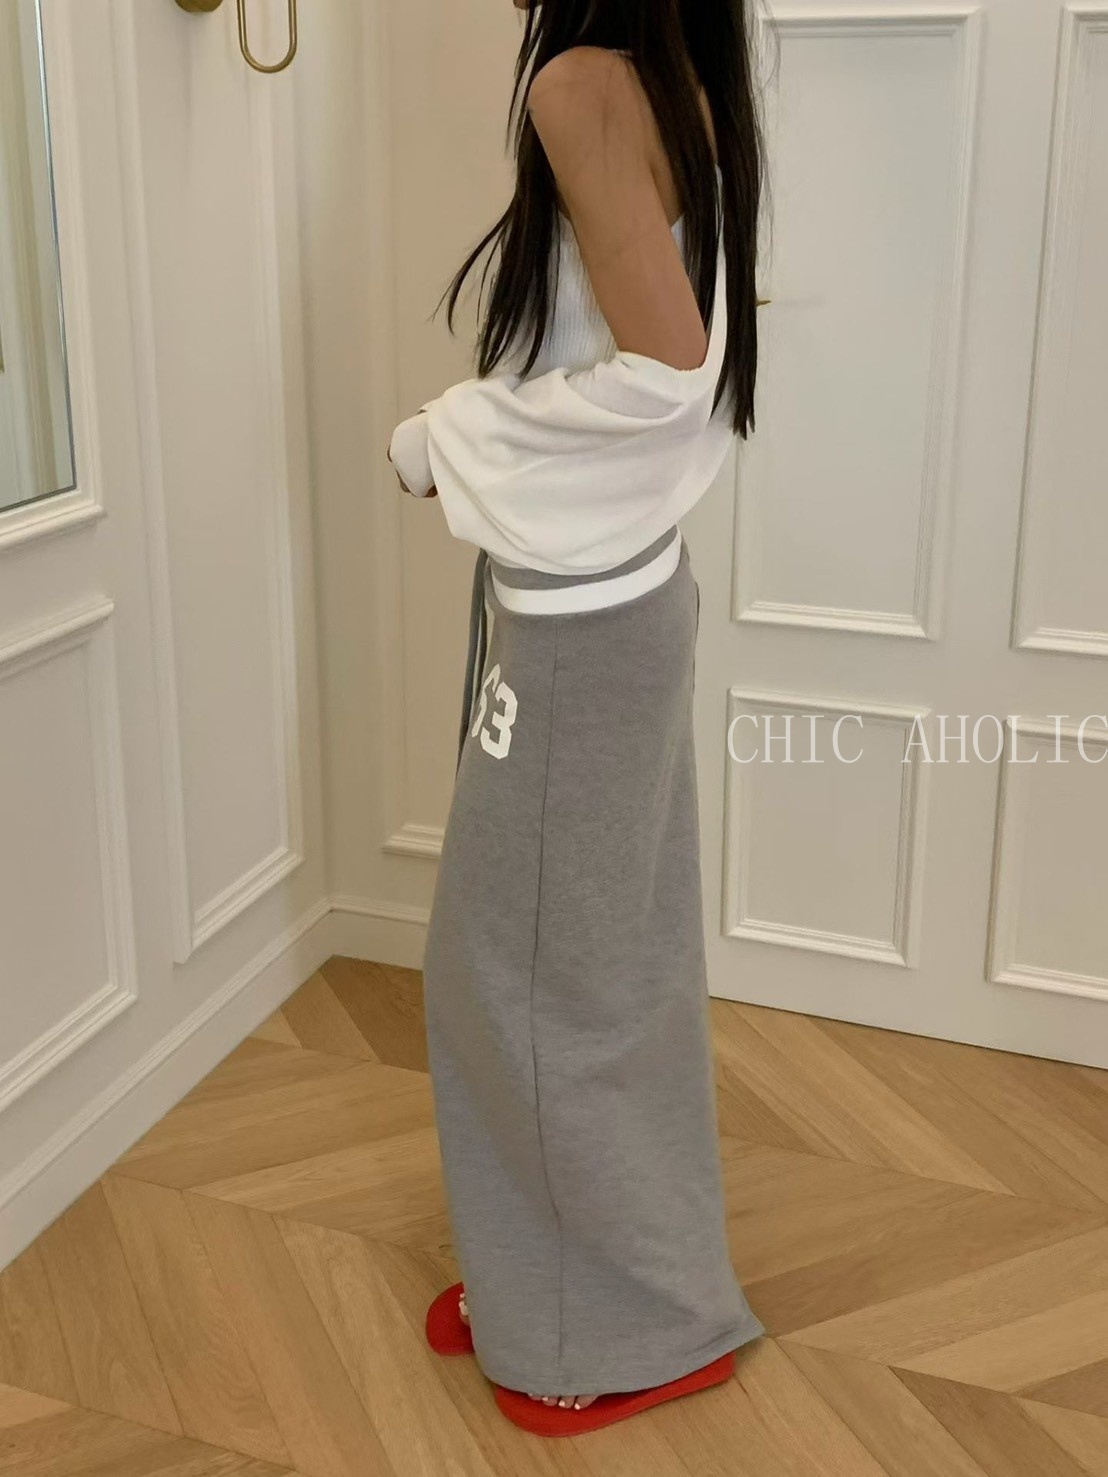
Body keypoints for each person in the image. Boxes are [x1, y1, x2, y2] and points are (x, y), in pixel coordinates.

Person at [387, 0, 767, 1437]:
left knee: (522, 984)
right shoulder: (671, 74)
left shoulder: (584, 82)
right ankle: (549, 1277)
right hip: (608, 608)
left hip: (577, 633)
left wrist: (446, 438)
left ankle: (603, 1333)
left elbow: (667, 371)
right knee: (597, 976)